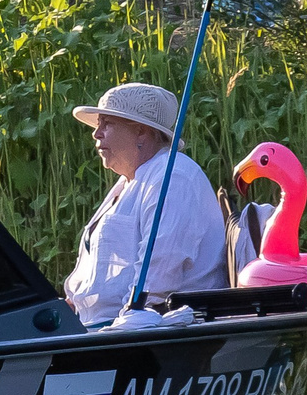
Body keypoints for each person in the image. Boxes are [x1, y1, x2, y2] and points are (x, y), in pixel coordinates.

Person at [63, 82, 228, 324]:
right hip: (94, 327)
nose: (96, 134)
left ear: (141, 131)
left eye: (107, 124)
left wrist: (123, 326)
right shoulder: (129, 182)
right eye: (99, 124)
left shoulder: (172, 176)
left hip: (146, 331)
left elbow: (157, 279)